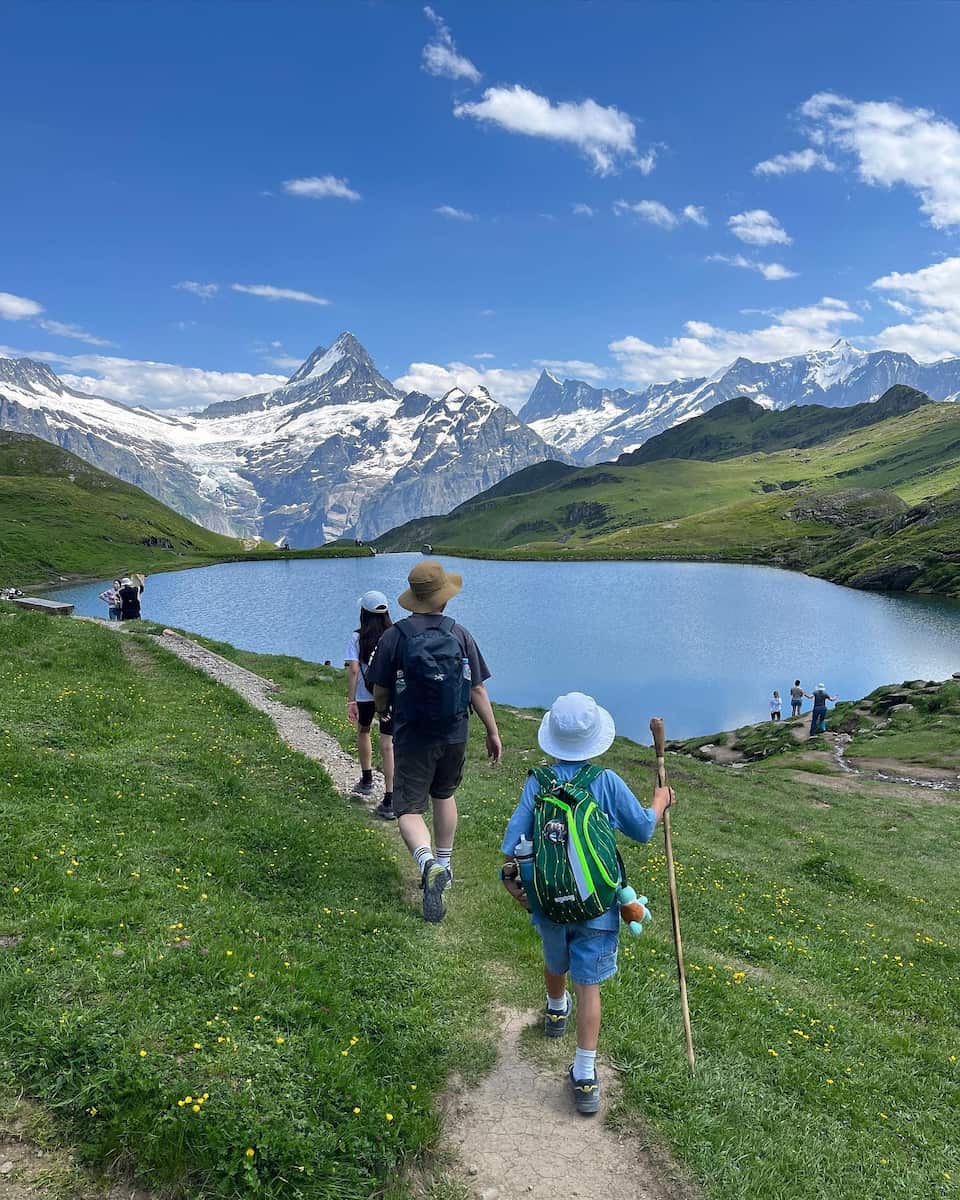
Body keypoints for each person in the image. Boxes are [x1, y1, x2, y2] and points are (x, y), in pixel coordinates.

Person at [500, 693, 673, 1116]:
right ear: (597, 738)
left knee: (554, 959)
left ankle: (556, 1012)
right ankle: (585, 1074)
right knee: (589, 986)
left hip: (548, 904)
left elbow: (512, 844)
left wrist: (513, 880)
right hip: (598, 907)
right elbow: (643, 830)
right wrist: (660, 802)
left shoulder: (537, 783)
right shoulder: (606, 781)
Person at [369, 560, 502, 923]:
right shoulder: (459, 634)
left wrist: (385, 711)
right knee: (444, 794)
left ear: (413, 599)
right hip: (455, 731)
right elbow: (476, 688)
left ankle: (427, 864)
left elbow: (379, 688)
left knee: (408, 808)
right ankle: (445, 863)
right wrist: (492, 731)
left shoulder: (394, 636)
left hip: (413, 733)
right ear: (444, 599)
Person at [345, 590, 396, 820]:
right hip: (389, 697)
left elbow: (354, 669)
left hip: (366, 696)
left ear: (363, 613)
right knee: (388, 743)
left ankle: (366, 779)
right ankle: (390, 797)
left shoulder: (357, 638)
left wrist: (351, 699)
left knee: (363, 731)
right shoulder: (394, 636)